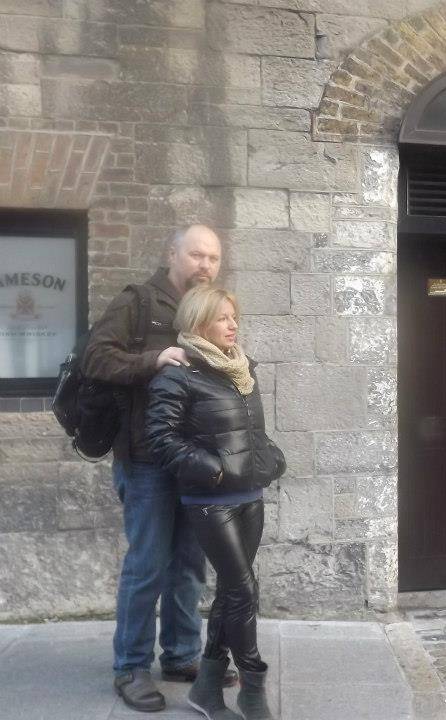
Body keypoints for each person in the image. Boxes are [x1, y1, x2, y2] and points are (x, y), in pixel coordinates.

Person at [83, 224, 232, 712]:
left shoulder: (207, 306)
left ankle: (181, 655)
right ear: (172, 254)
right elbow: (95, 358)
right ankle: (130, 667)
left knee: (188, 564)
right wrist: (153, 359)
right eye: (196, 255)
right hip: (146, 460)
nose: (205, 265)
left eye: (213, 258)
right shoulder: (138, 301)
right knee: (146, 565)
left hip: (193, 458)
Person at [146, 285, 285, 720]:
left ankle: (206, 688)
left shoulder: (242, 368)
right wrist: (212, 469)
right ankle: (252, 685)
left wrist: (271, 458)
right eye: (222, 317)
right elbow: (160, 438)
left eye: (234, 316)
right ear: (199, 321)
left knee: (231, 591)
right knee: (243, 590)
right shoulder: (179, 374)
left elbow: (252, 431)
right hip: (211, 500)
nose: (232, 324)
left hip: (250, 495)